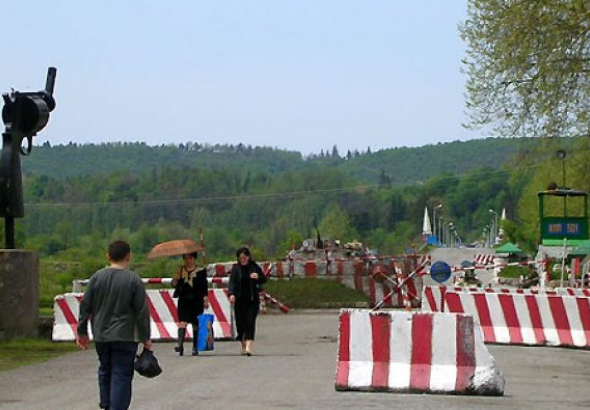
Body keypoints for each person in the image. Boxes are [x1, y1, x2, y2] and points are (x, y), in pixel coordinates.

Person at [76, 240, 152, 410]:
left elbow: (85, 306)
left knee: (105, 369)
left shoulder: (97, 278)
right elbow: (141, 312)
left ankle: (106, 403)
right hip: (125, 336)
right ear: (129, 256)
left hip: (101, 334)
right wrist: (145, 338)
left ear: (108, 256)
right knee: (121, 373)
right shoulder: (134, 280)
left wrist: (82, 332)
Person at [228, 247, 266, 356]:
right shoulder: (236, 269)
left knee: (250, 322)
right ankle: (243, 345)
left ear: (248, 257)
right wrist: (231, 294)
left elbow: (263, 279)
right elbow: (232, 283)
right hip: (239, 300)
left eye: (244, 257)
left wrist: (257, 276)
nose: (242, 260)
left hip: (252, 300)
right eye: (240, 258)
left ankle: (249, 347)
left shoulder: (254, 267)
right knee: (240, 324)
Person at [171, 252, 209, 356]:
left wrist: (205, 299)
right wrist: (176, 278)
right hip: (184, 300)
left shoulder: (200, 271)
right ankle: (180, 345)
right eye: (186, 258)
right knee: (182, 321)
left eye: (190, 258)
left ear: (194, 259)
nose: (188, 260)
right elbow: (174, 284)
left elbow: (204, 286)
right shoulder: (180, 270)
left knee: (195, 323)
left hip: (196, 300)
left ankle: (195, 346)